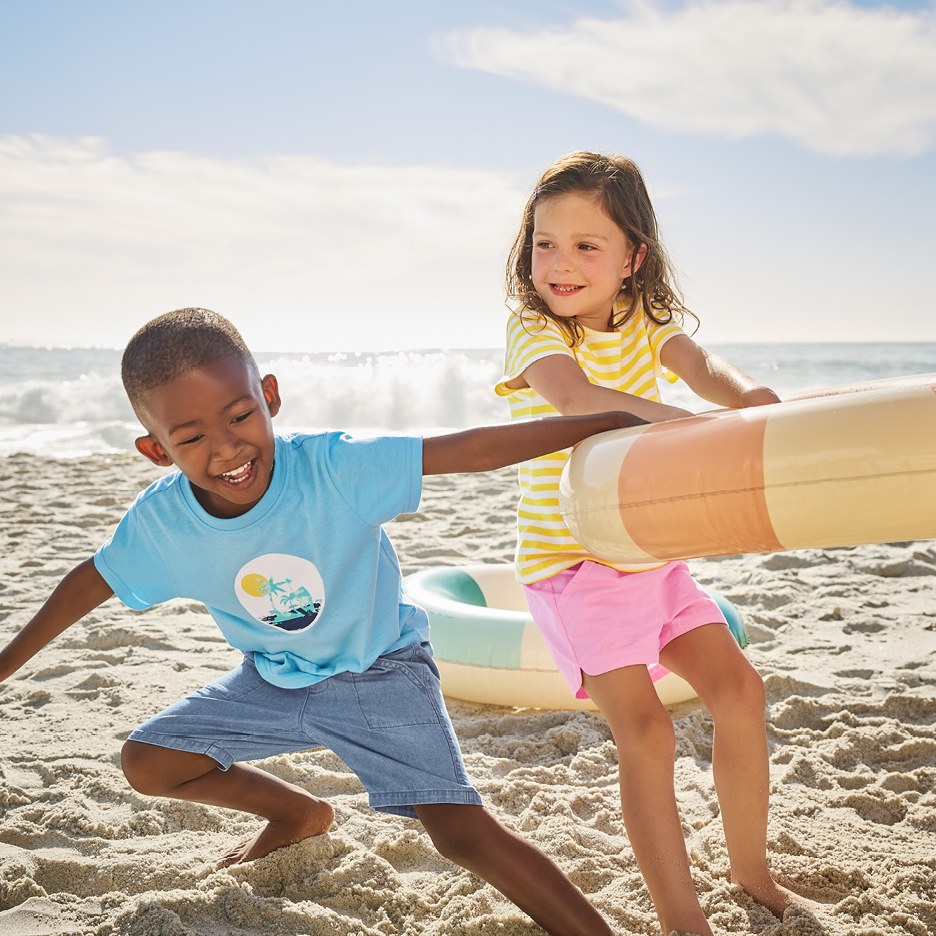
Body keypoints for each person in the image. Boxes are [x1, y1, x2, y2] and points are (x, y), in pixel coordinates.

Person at [0, 308, 647, 936]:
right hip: (276, 680)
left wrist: (608, 420)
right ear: (154, 448)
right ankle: (298, 813)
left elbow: (470, 450)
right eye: (191, 437)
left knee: (459, 834)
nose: (226, 448)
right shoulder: (163, 525)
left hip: (380, 672)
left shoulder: (335, 468)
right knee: (150, 760)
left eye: (239, 415)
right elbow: (90, 581)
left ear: (270, 396)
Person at [496, 152, 821, 935]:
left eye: (586, 245)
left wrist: (749, 403)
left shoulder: (648, 323)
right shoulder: (532, 330)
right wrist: (692, 427)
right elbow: (575, 400)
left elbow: (701, 366)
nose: (560, 264)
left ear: (633, 254)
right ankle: (684, 922)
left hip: (646, 556)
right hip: (573, 568)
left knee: (742, 693)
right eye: (545, 244)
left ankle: (753, 874)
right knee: (646, 733)